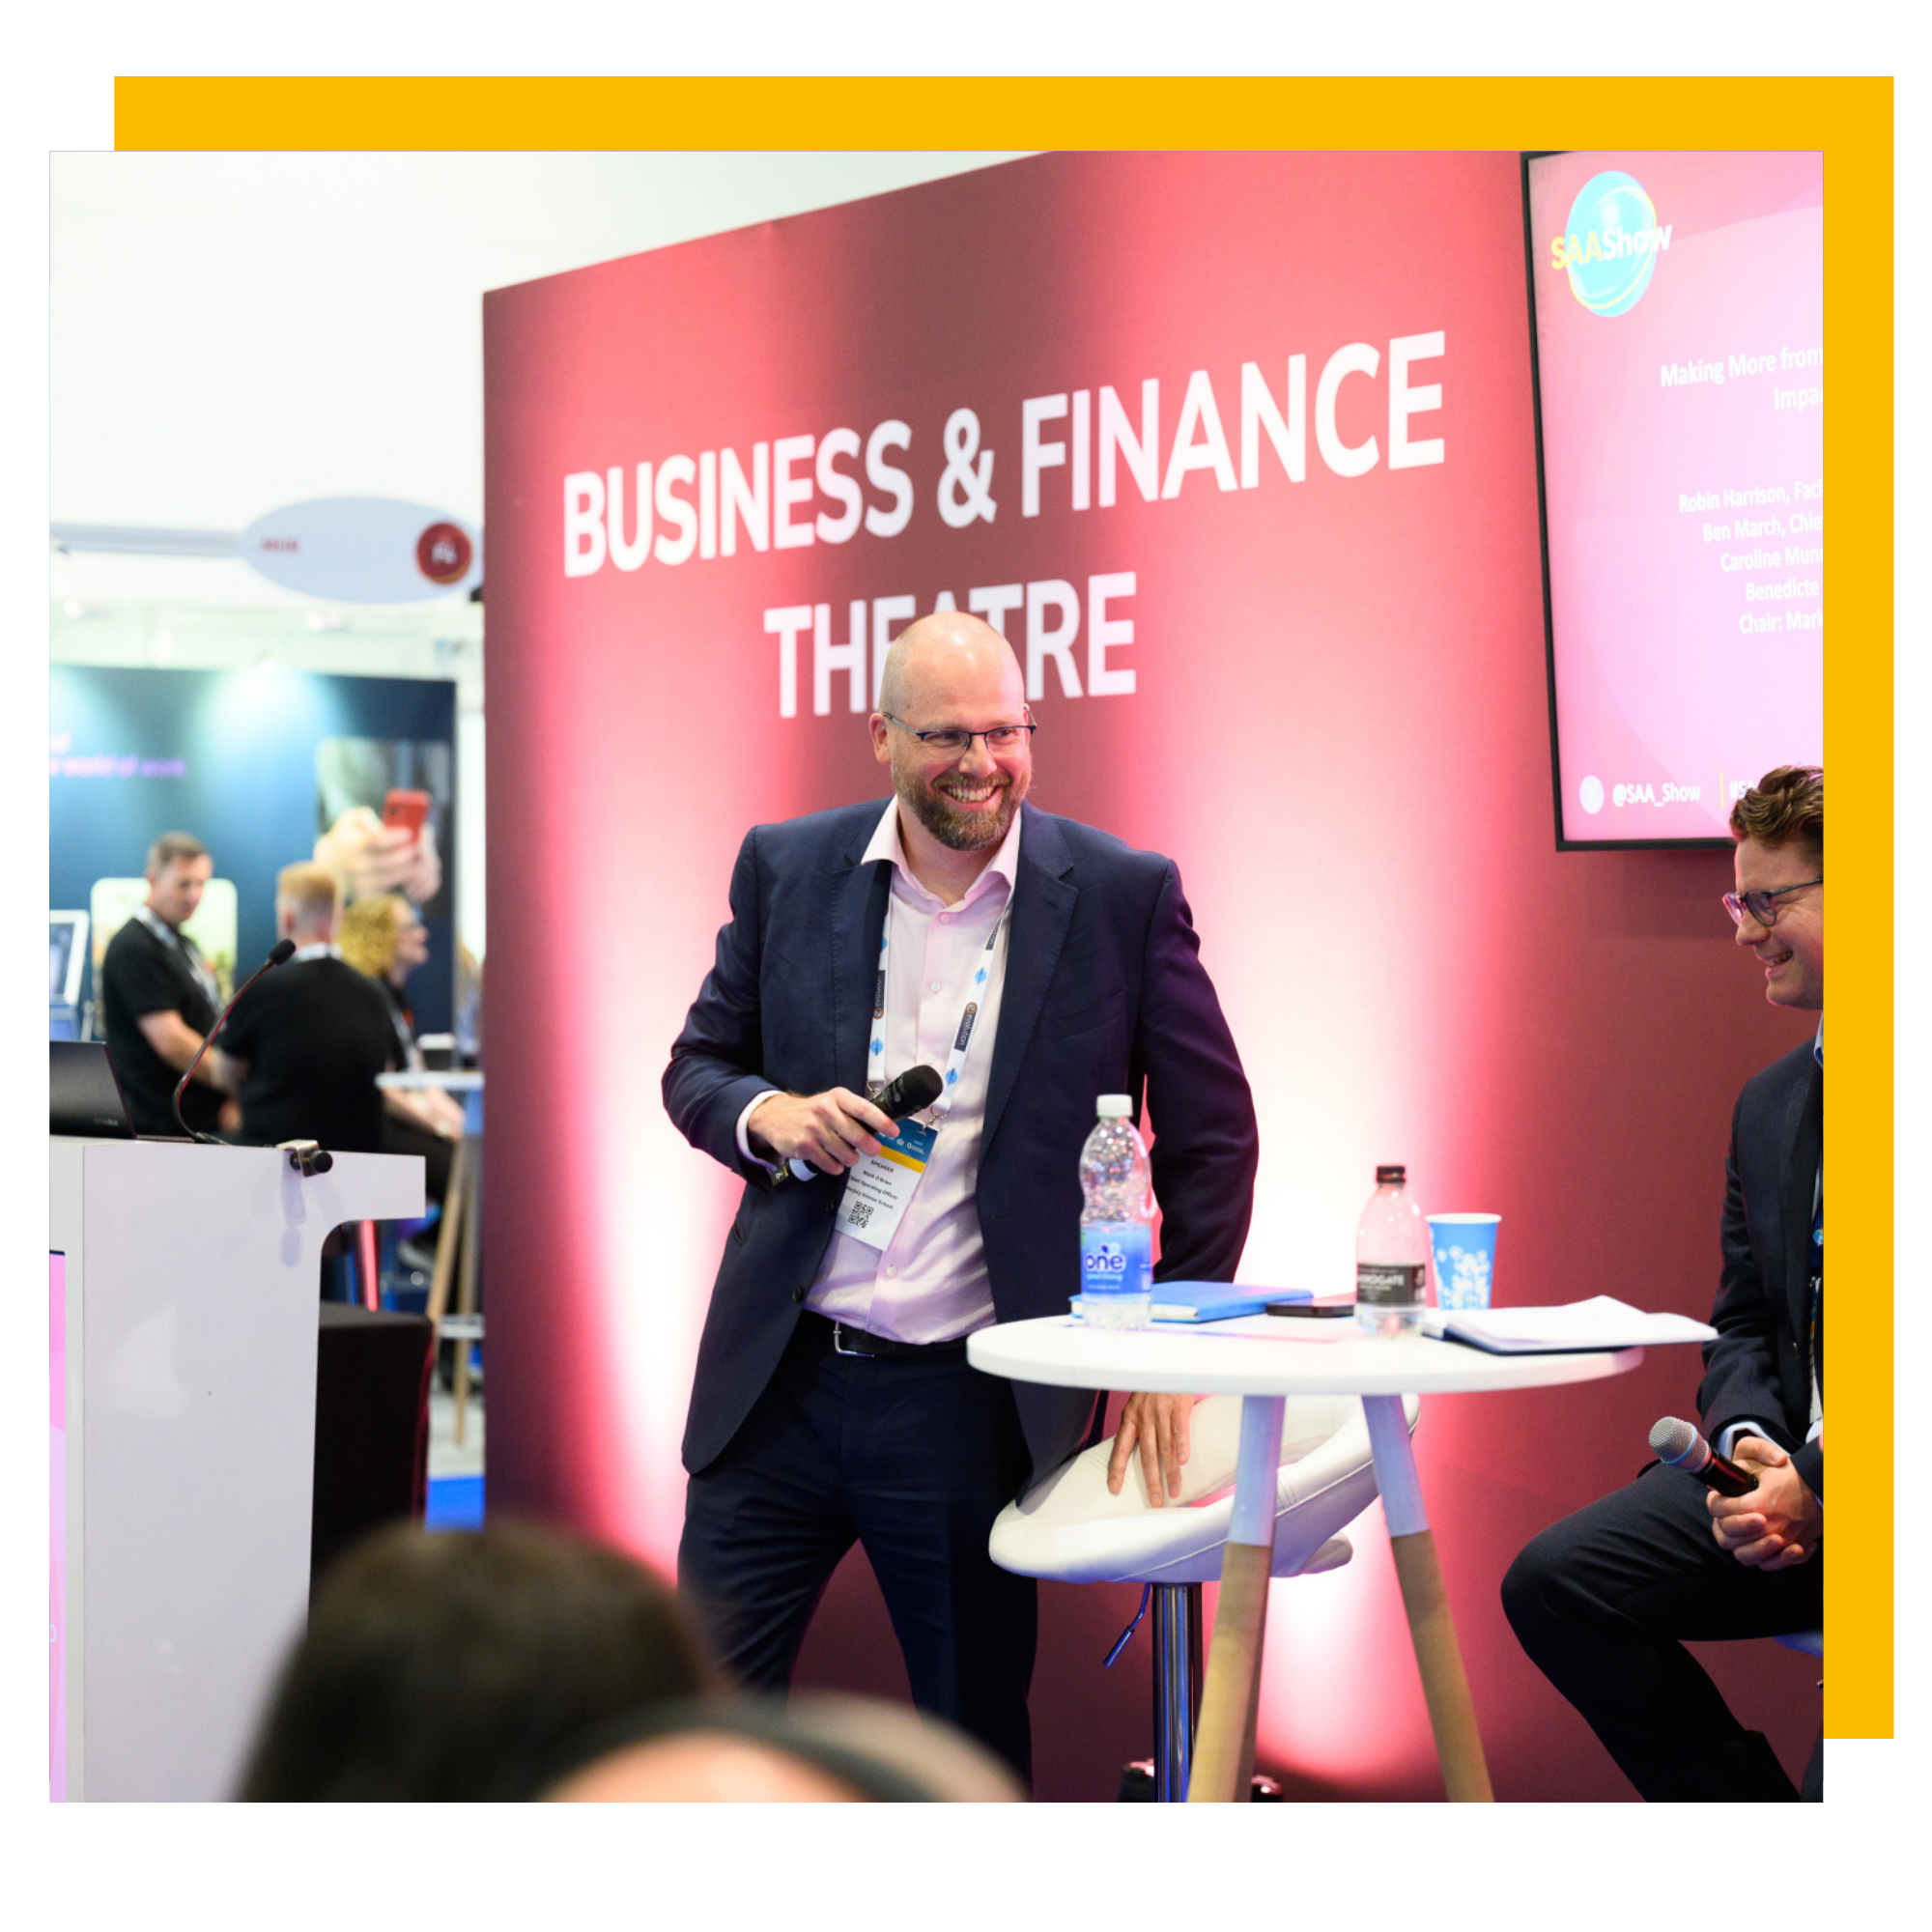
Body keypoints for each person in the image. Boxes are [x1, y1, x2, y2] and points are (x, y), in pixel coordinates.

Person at [665, 611, 1259, 1777]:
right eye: (945, 735)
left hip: (962, 1400)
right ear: (880, 735)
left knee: (967, 1746)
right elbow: (697, 1065)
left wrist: (1166, 1343)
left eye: (1004, 731)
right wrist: (766, 1113)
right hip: (776, 1383)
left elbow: (1215, 1139)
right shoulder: (787, 866)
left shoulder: (1119, 893)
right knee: (696, 1724)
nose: (980, 762)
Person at [1502, 765, 1825, 1805]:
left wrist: (1819, 1482)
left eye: (1768, 901)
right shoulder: (1771, 1104)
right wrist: (1751, 1447)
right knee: (1558, 1583)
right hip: (1791, 1483)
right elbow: (1743, 1320)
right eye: (1740, 902)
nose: (1745, 932)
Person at [222, 863, 400, 1156]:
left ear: (287, 918)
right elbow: (388, 1069)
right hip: (358, 1158)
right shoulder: (374, 992)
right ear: (339, 918)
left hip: (272, 1157)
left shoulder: (259, 986)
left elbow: (226, 1073)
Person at [98, 831, 236, 1135]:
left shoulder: (182, 942)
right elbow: (171, 1042)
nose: (194, 895)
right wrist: (235, 1082)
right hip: (160, 1129)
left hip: (194, 1122)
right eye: (183, 884)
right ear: (152, 880)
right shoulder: (134, 946)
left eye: (201, 884)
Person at [340, 893, 464, 1206]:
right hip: (375, 1129)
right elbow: (384, 1089)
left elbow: (419, 1078)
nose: (422, 934)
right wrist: (440, 1127)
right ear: (380, 936)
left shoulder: (396, 997)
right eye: (410, 927)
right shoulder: (367, 997)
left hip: (402, 1122)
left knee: (471, 1161)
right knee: (456, 1172)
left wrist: (463, 1127)